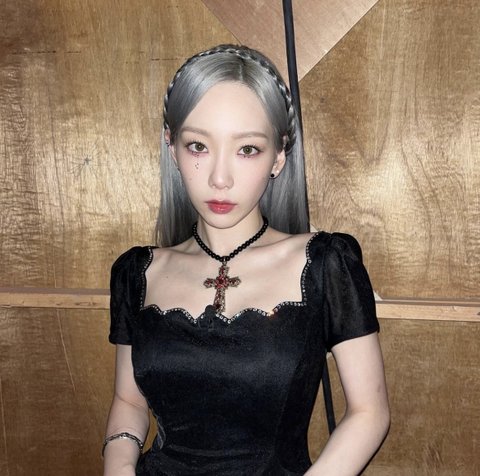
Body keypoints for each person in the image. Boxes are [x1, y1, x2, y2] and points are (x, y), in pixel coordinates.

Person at [103, 44, 390, 476]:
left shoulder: (326, 265)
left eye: (248, 149)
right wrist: (119, 467)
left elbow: (369, 412)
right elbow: (128, 401)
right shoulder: (136, 273)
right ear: (172, 146)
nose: (220, 178)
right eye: (198, 145)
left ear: (279, 155)